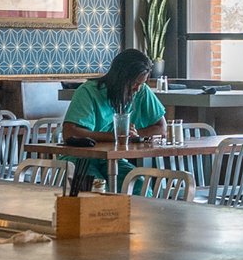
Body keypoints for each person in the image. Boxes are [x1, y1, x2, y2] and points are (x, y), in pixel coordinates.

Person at [61, 49, 167, 190]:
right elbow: (69, 132)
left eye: (141, 83)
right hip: (79, 159)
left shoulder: (141, 91)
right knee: (95, 189)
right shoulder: (88, 92)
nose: (137, 88)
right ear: (120, 78)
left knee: (140, 186)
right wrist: (116, 136)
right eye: (134, 84)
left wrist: (136, 135)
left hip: (111, 159)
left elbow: (161, 127)